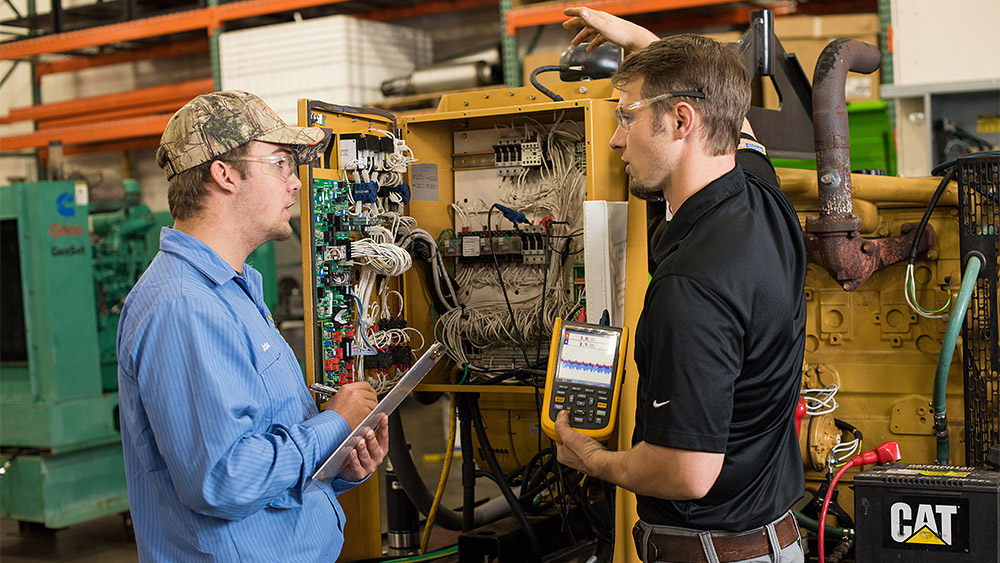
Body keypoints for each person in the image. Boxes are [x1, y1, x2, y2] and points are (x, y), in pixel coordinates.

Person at [555, 8, 806, 563]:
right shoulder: (763, 196)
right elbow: (734, 120)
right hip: (771, 541)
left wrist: (590, 457)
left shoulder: (690, 287)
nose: (617, 139)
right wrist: (645, 43)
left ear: (682, 120)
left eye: (626, 117)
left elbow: (686, 472)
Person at [117, 90, 388, 562]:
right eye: (281, 163)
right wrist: (334, 423)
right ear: (224, 174)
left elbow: (260, 452)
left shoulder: (233, 290)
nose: (296, 183)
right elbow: (224, 479)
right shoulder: (184, 305)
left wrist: (337, 463)